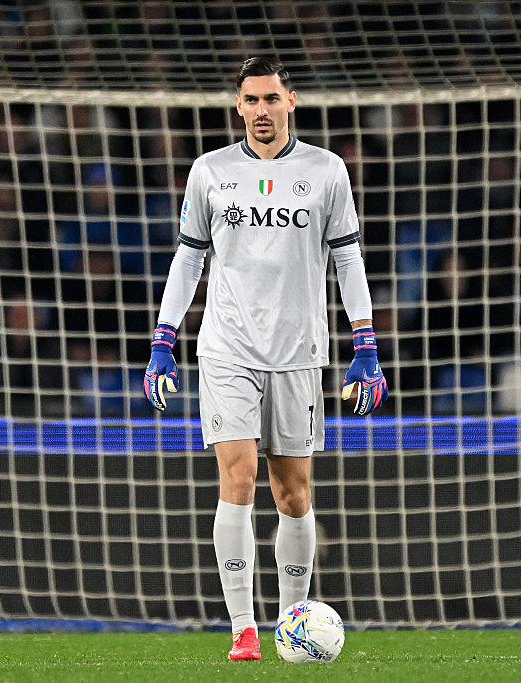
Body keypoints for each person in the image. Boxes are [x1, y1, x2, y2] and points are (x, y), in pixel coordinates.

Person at [143, 57, 387, 661]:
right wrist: (162, 339)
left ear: (291, 102)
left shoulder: (326, 171)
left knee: (294, 495)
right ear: (238, 108)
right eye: (249, 101)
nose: (260, 112)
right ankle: (243, 629)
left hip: (300, 350)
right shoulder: (210, 172)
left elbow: (348, 260)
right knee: (237, 480)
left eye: (270, 99)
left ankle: (291, 620)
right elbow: (188, 259)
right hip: (227, 349)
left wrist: (366, 345)